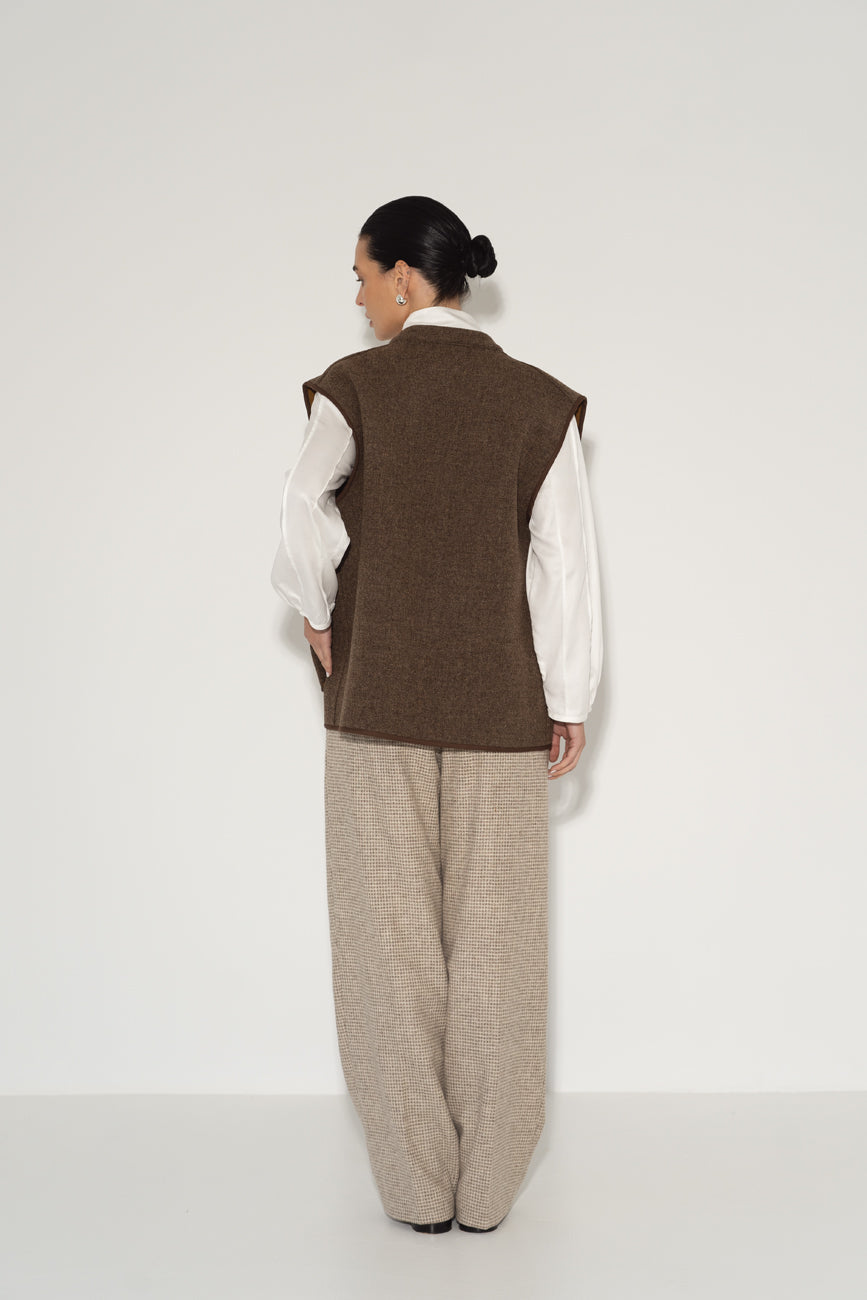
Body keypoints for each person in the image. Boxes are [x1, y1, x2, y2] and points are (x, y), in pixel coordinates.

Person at [271, 195, 602, 1235]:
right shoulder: (536, 403)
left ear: (407, 279)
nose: (358, 297)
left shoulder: (355, 390)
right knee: (498, 942)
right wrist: (568, 696)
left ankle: (416, 1189)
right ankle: (490, 1187)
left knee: (387, 943)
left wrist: (318, 613)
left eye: (362, 276)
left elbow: (302, 511)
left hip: (374, 706)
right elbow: (565, 563)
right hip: (504, 712)